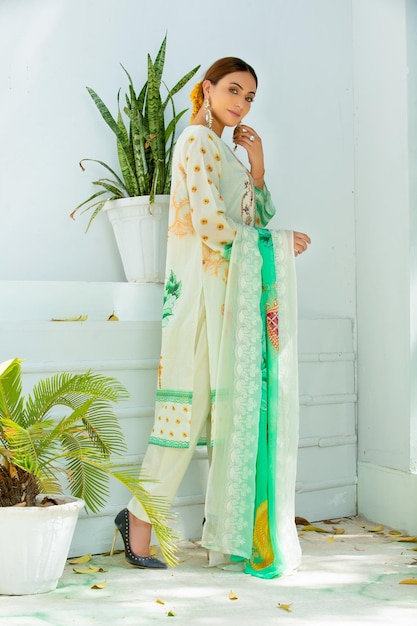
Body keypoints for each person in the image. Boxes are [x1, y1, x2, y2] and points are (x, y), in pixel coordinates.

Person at [113, 56, 311, 579]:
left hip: (230, 302)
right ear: (207, 89)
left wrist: (259, 165)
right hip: (202, 302)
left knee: (228, 417)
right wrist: (279, 246)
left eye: (249, 97)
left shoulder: (225, 153)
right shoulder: (196, 142)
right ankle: (137, 520)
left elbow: (255, 214)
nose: (241, 103)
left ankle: (225, 527)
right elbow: (210, 225)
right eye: (233, 90)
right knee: (183, 415)